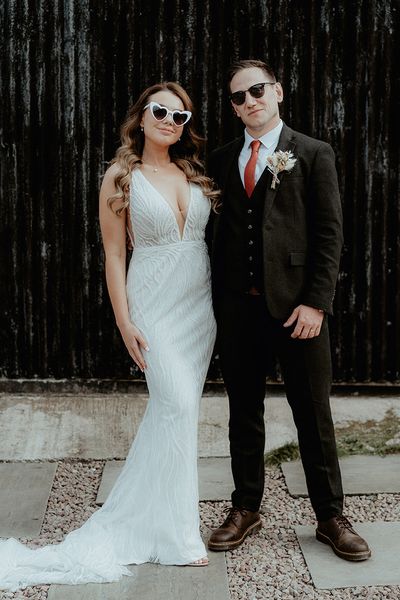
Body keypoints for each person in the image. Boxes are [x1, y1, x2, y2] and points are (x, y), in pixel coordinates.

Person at [0, 82, 218, 591]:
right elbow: (115, 254)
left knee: (173, 414)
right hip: (154, 306)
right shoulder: (121, 177)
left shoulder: (192, 174)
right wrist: (124, 321)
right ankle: (180, 535)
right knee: (179, 405)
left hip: (198, 309)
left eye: (180, 116)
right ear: (140, 118)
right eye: (159, 111)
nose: (169, 121)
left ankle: (162, 522)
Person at [206, 59, 371, 562]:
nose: (249, 100)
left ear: (277, 91)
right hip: (239, 311)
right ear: (233, 108)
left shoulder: (313, 153)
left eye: (257, 89)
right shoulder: (221, 158)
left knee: (313, 415)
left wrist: (316, 303)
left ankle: (330, 516)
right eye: (238, 96)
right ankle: (246, 507)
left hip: (299, 311)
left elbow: (329, 234)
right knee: (244, 414)